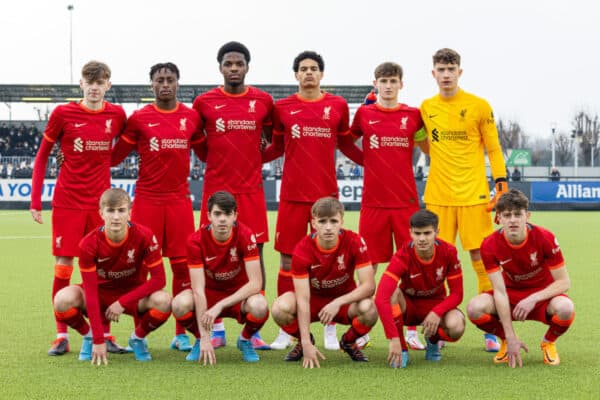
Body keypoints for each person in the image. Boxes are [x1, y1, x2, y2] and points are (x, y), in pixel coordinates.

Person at [261, 50, 359, 351]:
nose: (308, 73)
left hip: (326, 196)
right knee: (288, 260)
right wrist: (246, 162)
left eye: (313, 68)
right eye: (303, 69)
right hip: (291, 195)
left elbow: (347, 143)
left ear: (322, 74)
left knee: (329, 261)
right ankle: (288, 330)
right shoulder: (283, 108)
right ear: (295, 75)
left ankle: (330, 325)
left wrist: (379, 161)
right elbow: (275, 147)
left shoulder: (337, 105)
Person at [30, 61, 127, 356]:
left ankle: (106, 334)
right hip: (68, 203)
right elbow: (42, 156)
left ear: (108, 85)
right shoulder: (63, 114)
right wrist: (35, 200)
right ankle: (62, 335)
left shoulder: (117, 115)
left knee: (103, 270)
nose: (95, 87)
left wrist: (106, 161)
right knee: (64, 266)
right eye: (90, 81)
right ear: (81, 84)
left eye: (101, 82)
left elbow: (124, 147)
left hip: (101, 206)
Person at [111, 62, 203, 353]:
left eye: (170, 79)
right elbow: (113, 157)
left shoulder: (191, 117)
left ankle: (181, 332)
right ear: (151, 85)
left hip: (179, 202)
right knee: (138, 269)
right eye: (159, 80)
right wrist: (73, 153)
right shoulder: (139, 118)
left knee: (182, 269)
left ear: (178, 83)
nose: (165, 84)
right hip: (148, 201)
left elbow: (208, 152)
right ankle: (140, 333)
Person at [420, 48, 508, 352]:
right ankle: (439, 326)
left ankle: (490, 326)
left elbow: (494, 149)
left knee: (481, 259)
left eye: (451, 68)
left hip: (474, 196)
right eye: (440, 70)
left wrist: (501, 183)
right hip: (439, 196)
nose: (446, 74)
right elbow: (422, 143)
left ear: (460, 72)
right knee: (434, 264)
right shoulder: (426, 107)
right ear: (433, 74)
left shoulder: (479, 106)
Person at [192, 41, 273, 350]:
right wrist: (214, 161)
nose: (234, 68)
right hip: (216, 191)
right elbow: (199, 144)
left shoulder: (263, 101)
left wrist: (258, 157)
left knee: (257, 254)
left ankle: (254, 327)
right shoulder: (204, 102)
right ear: (220, 67)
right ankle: (218, 328)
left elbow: (275, 138)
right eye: (229, 63)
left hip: (251, 191)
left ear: (247, 67)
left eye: (239, 63)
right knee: (213, 257)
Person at [349, 61, 430, 350]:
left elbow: (427, 148)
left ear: (401, 84)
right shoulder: (365, 113)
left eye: (393, 80)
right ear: (376, 83)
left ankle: (410, 328)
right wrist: (366, 161)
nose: (387, 85)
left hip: (405, 202)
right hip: (373, 203)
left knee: (412, 266)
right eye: (383, 80)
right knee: (367, 266)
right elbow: (346, 142)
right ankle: (364, 325)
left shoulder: (413, 115)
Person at [52, 188, 171, 363]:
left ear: (130, 213)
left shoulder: (144, 236)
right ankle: (89, 337)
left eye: (121, 211)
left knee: (165, 301)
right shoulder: (88, 243)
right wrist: (99, 340)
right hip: (99, 295)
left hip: (131, 296)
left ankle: (137, 339)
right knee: (61, 300)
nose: (116, 217)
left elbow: (159, 279)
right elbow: (91, 292)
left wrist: (123, 302)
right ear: (101, 213)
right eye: (110, 211)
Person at [467, 189, 574, 367]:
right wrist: (510, 336)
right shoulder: (489, 245)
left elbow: (564, 282)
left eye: (518, 214)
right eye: (507, 215)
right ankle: (506, 342)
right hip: (510, 294)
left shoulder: (545, 237)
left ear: (528, 215)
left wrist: (533, 298)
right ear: (499, 218)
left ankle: (548, 342)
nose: (513, 220)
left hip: (542, 295)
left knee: (566, 308)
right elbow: (499, 292)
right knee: (474, 308)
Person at [271, 197, 377, 368]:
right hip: (313, 301)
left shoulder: (354, 241)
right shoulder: (302, 249)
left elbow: (369, 286)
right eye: (322, 221)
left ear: (342, 220)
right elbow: (303, 299)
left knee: (370, 309)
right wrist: (305, 342)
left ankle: (349, 342)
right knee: (280, 308)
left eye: (334, 221)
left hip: (343, 302)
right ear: (313, 223)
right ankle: (303, 341)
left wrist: (338, 302)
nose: (328, 227)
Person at [171, 191, 269, 364]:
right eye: (217, 214)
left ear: (235, 216)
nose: (222, 219)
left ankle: (245, 340)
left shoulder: (246, 235)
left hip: (238, 295)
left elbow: (256, 283)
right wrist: (205, 336)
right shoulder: (195, 241)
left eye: (227, 214)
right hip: (208, 295)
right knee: (179, 304)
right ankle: (199, 339)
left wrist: (220, 305)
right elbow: (198, 289)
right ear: (209, 216)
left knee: (260, 305)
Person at [374, 209, 465, 368]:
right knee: (391, 294)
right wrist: (394, 339)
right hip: (408, 308)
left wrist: (437, 312)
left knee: (456, 326)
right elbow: (381, 298)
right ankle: (402, 350)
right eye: (417, 233)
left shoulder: (449, 251)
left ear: (437, 231)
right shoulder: (403, 255)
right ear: (410, 233)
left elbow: (457, 294)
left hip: (436, 306)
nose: (422, 239)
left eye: (427, 233)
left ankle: (433, 340)